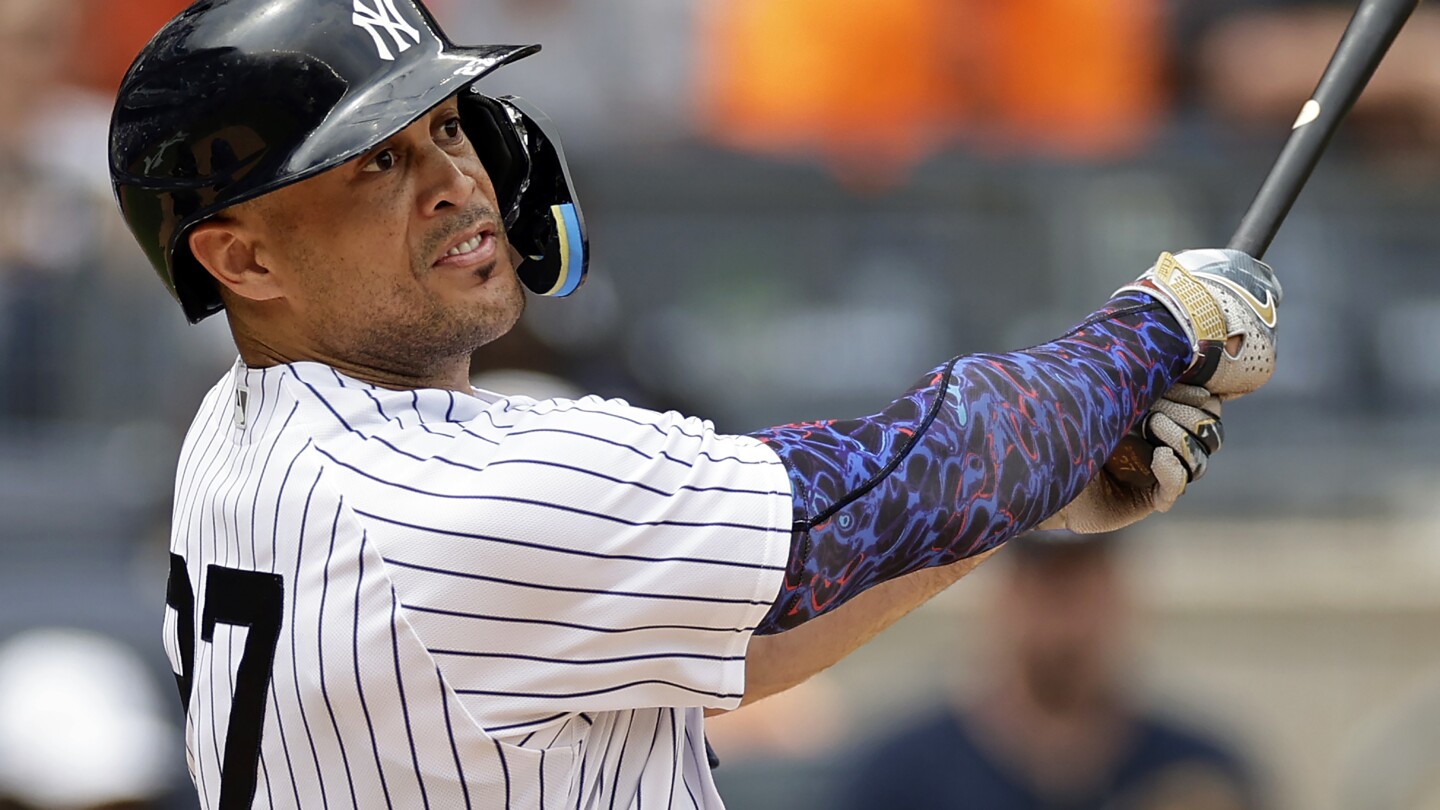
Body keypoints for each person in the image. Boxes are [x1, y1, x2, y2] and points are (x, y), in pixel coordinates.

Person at [107, 0, 1280, 807]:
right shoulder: (453, 502)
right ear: (241, 260)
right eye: (374, 162)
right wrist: (1159, 324)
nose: (458, 183)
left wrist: (1031, 502)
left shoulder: (243, 426)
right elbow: (889, 484)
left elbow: (704, 638)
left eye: (448, 129)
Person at [841, 531, 1262, 810]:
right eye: (1048, 589)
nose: (1067, 622)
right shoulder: (901, 777)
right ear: (1006, 599)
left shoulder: (1200, 769)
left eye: (1084, 589)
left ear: (1120, 597)